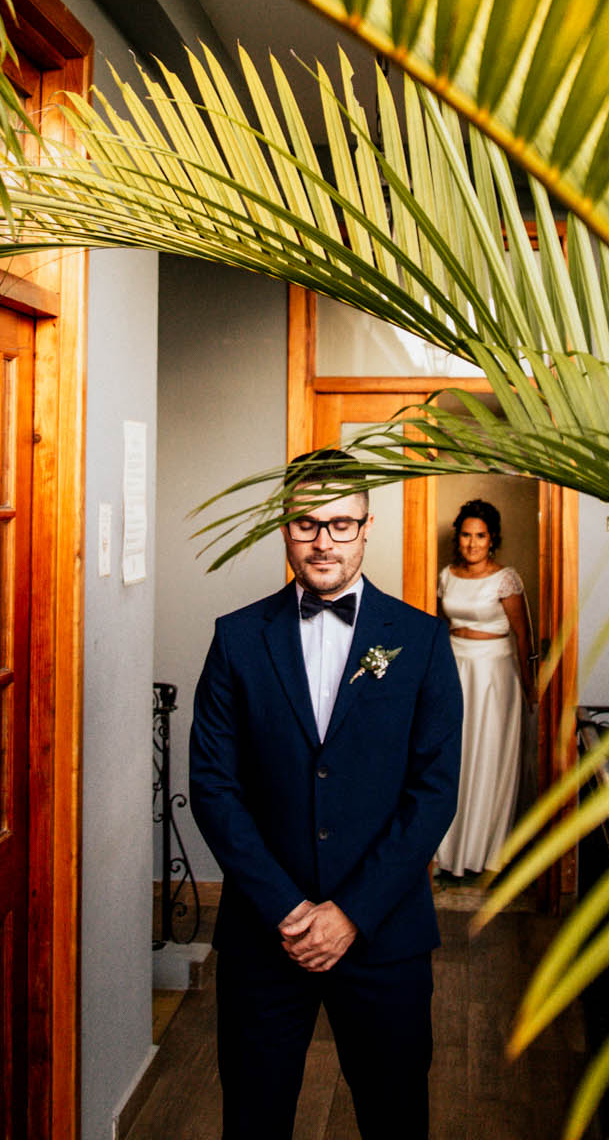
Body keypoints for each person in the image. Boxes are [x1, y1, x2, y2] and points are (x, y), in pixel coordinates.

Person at [187, 454, 463, 1139]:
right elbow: (213, 788)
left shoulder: (421, 641)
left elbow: (432, 793)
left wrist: (351, 913)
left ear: (367, 528)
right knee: (253, 1122)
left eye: (341, 524)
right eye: (308, 523)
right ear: (285, 528)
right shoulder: (236, 639)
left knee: (395, 1119)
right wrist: (288, 909)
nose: (324, 541)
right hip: (263, 933)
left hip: (383, 933)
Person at [433, 499, 535, 876]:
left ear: (492, 540)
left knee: (488, 754)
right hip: (454, 665)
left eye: (480, 536)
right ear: (457, 538)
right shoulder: (446, 575)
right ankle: (447, 851)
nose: (472, 543)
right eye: (466, 535)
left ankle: (483, 851)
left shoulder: (505, 578)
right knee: (454, 755)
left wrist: (530, 687)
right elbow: (436, 627)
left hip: (493, 673)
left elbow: (524, 639)